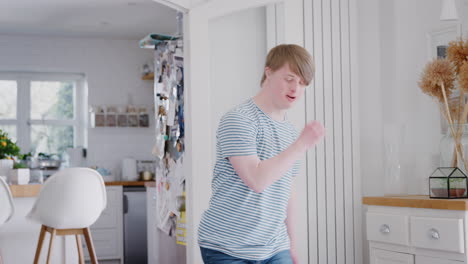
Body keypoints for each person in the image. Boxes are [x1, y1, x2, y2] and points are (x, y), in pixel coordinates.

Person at [198, 44, 325, 264]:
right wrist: (302, 144)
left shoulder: (290, 132)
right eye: (289, 78)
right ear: (269, 72)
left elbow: (288, 190)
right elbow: (256, 180)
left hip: (275, 247)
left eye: (302, 83)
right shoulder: (238, 119)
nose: (296, 88)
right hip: (227, 247)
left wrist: (292, 244)